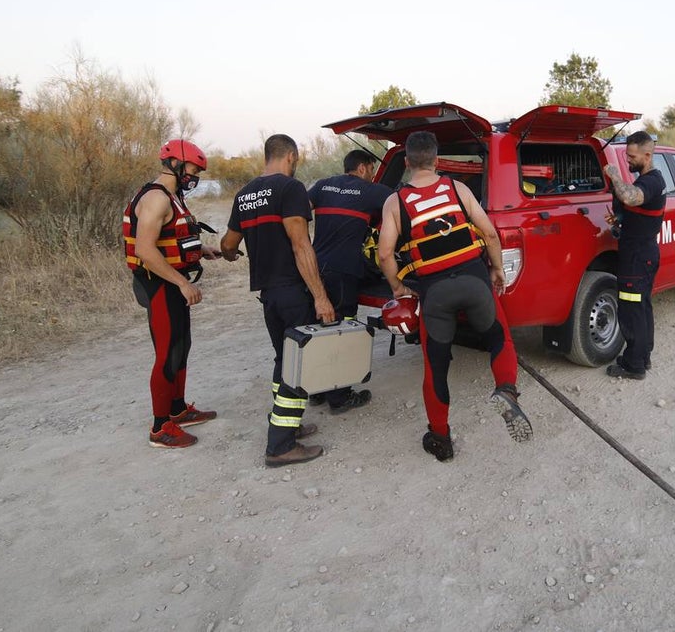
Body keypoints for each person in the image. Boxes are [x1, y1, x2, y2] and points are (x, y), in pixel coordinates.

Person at [377, 131, 532, 462]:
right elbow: (489, 233)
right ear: (436, 160)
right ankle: (506, 390)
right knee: (499, 339)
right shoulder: (457, 188)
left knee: (435, 367)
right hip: (475, 281)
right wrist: (496, 269)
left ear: (407, 162)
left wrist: (398, 288)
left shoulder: (395, 202)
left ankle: (440, 439)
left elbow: (385, 254)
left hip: (435, 292)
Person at [219, 134, 336, 468]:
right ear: (291, 156)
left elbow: (228, 244)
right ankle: (280, 446)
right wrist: (320, 297)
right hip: (292, 291)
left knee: (283, 360)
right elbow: (301, 245)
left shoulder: (244, 194)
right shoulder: (290, 188)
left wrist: (231, 254)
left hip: (268, 295)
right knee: (298, 364)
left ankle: (288, 424)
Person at [123, 139, 221, 449]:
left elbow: (171, 238)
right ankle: (159, 428)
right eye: (194, 169)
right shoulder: (156, 198)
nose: (195, 176)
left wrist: (201, 250)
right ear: (176, 163)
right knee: (167, 353)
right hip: (159, 284)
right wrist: (182, 282)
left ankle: (177, 409)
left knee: (181, 346)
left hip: (169, 281)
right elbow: (145, 249)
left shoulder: (172, 196)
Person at [305, 149, 393, 409]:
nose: (373, 175)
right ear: (363, 168)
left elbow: (298, 213)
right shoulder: (371, 191)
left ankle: (316, 390)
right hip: (344, 271)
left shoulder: (322, 185)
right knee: (342, 330)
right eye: (372, 170)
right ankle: (340, 397)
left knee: (319, 328)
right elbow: (403, 205)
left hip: (315, 267)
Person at [603, 130, 667, 379]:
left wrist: (615, 176)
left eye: (631, 156)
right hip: (643, 253)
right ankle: (643, 356)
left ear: (647, 156)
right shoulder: (647, 180)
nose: (627, 160)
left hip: (638, 256)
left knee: (631, 310)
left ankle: (634, 365)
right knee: (641, 306)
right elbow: (634, 206)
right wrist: (620, 218)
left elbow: (630, 197)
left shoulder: (651, 182)